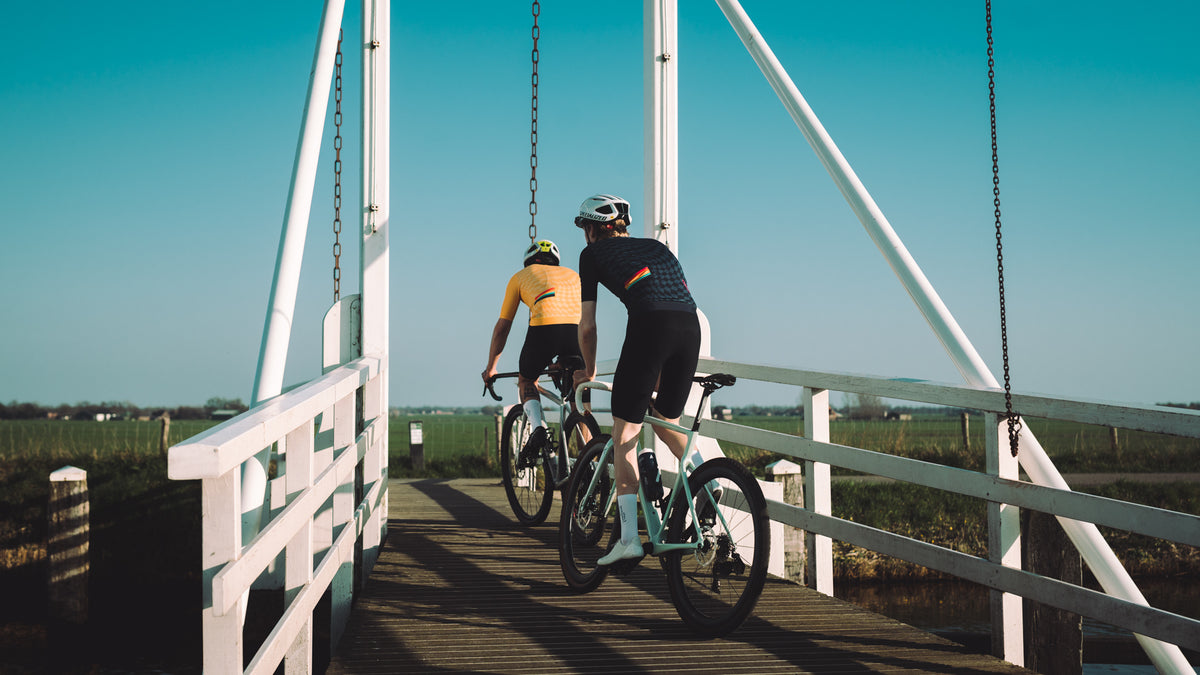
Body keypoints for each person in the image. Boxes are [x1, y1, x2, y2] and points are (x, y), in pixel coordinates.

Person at [571, 194, 707, 565]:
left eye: (584, 228)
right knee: (665, 419)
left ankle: (628, 538)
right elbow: (673, 294)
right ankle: (707, 482)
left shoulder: (591, 254)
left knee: (624, 434)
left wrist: (589, 369)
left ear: (592, 228)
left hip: (650, 325)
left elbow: (587, 326)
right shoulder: (657, 248)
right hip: (690, 326)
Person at [482, 239, 583, 457]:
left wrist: (491, 368)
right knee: (581, 398)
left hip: (543, 330)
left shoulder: (520, 277)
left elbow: (502, 327)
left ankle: (538, 429)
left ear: (528, 261)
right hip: (576, 333)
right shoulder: (573, 275)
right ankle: (590, 460)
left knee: (527, 380)